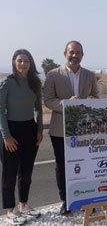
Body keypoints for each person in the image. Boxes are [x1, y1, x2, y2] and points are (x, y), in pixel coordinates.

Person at [43, 41, 98, 215]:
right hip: (60, 129)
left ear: (82, 55)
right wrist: (67, 105)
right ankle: (66, 200)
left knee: (87, 164)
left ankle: (87, 197)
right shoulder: (52, 75)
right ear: (65, 54)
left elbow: (96, 96)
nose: (75, 55)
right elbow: (48, 100)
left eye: (78, 52)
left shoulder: (90, 75)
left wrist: (91, 100)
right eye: (71, 52)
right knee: (62, 165)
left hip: (85, 130)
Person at [0, 49, 43, 225]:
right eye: (20, 61)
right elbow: (0, 110)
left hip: (30, 130)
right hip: (11, 130)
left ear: (30, 63)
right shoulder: (7, 83)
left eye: (26, 61)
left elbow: (38, 108)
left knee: (26, 172)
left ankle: (23, 205)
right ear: (14, 62)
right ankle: (11, 210)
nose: (23, 64)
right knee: (9, 173)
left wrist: (40, 130)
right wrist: (6, 136)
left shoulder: (35, 82)